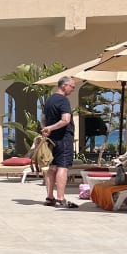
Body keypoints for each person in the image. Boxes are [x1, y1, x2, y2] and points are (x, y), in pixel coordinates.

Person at [41, 76, 77, 207]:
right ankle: (60, 198)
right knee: (63, 167)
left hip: (52, 140)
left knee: (52, 168)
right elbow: (65, 120)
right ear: (64, 85)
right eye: (72, 86)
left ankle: (50, 197)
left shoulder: (49, 100)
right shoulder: (63, 100)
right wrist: (50, 128)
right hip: (63, 138)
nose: (73, 89)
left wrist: (45, 129)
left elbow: (43, 118)